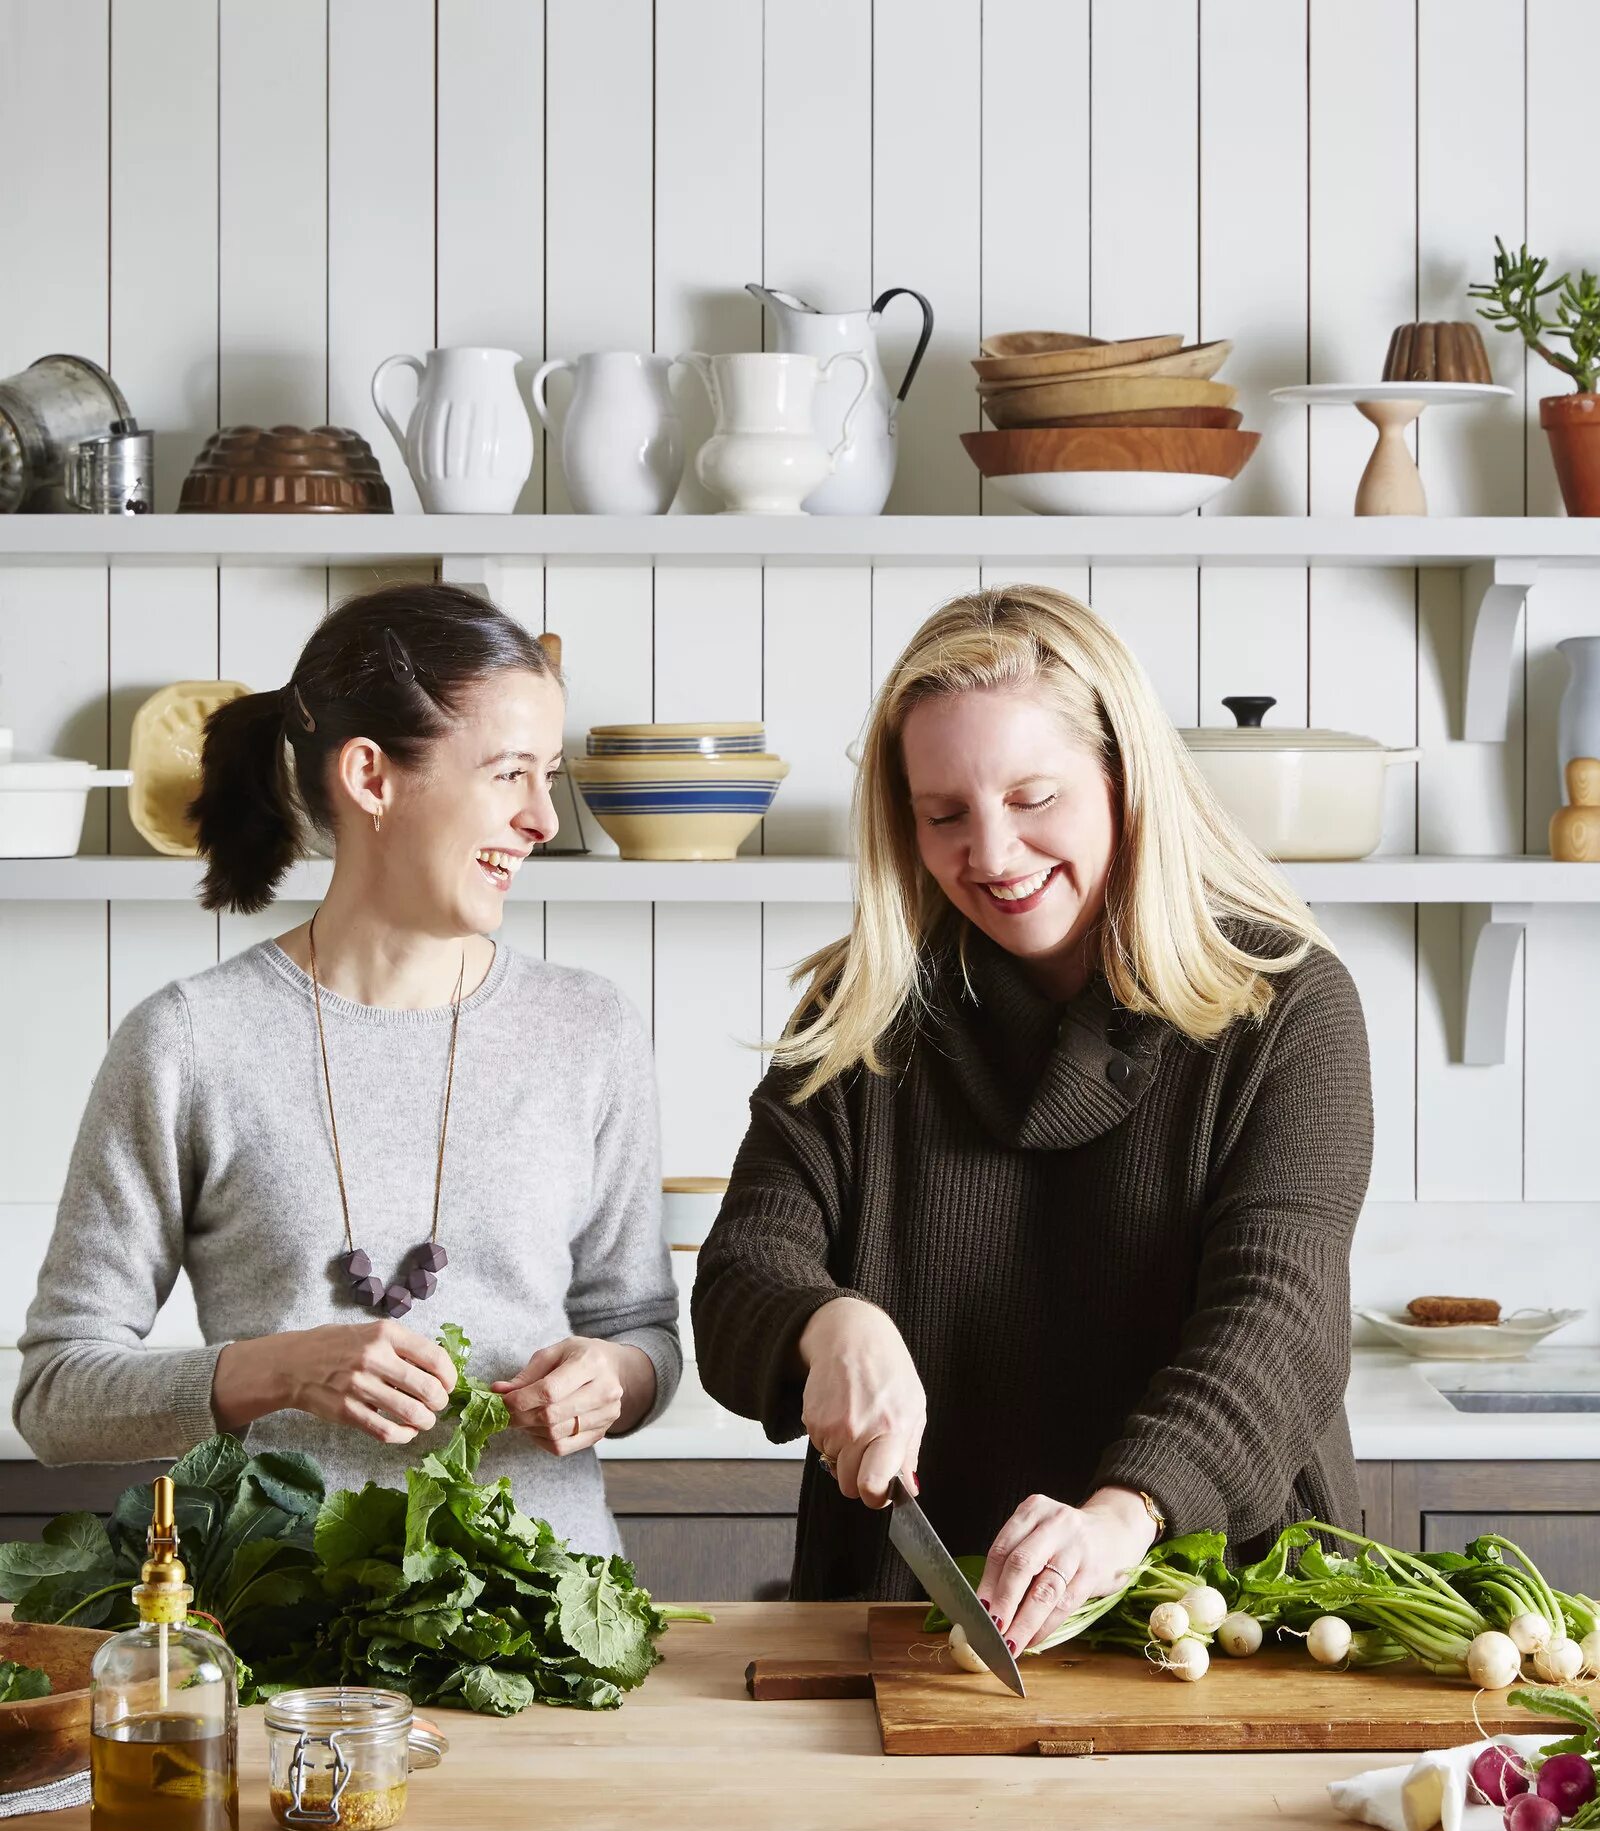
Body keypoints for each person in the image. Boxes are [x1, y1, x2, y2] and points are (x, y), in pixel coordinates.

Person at [692, 585, 1373, 1656]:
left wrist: (1125, 1512)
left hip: (1217, 1611)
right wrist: (829, 1324)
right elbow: (742, 1271)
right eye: (944, 814)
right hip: (922, 1621)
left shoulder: (1282, 1005)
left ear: (1122, 779)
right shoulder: (866, 1011)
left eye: (1033, 795)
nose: (994, 853)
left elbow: (1276, 1320)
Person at [15, 582, 680, 1557]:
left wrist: (614, 1378)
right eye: (508, 774)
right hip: (282, 1638)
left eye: (550, 774)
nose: (543, 816)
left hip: (544, 1621)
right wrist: (274, 1370)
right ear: (372, 775)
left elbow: (644, 1330)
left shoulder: (590, 1027)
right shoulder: (190, 1038)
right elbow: (55, 1395)